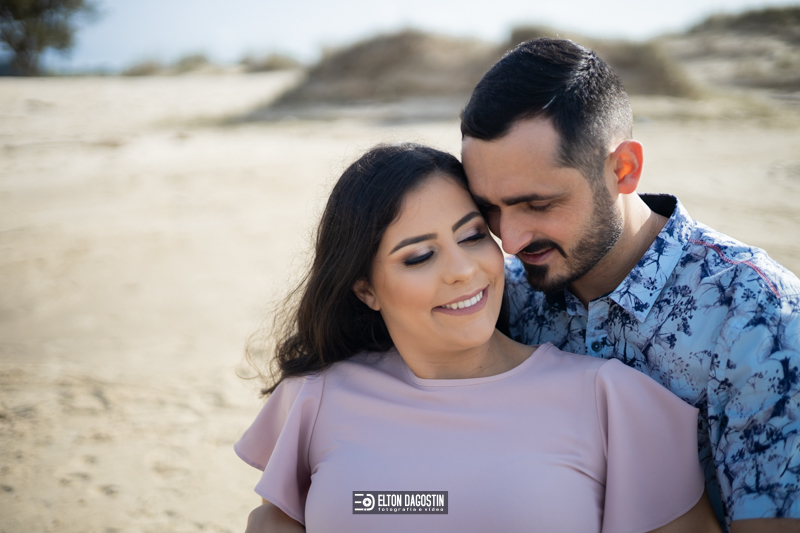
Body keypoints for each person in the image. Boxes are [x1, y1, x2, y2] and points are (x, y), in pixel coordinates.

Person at [237, 143, 721, 532]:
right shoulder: (314, 399)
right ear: (366, 289)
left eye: (471, 236)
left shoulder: (613, 400)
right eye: (419, 256)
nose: (463, 270)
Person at [459, 38, 800, 532]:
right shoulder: (503, 297)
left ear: (624, 169)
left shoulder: (759, 317)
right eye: (489, 209)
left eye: (538, 204)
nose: (509, 241)